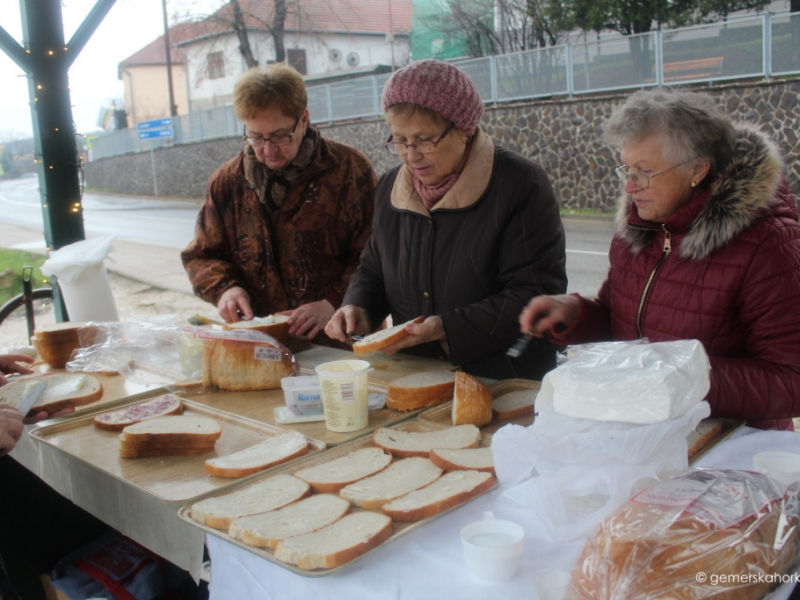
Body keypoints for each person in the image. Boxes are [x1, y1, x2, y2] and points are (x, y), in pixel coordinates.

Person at [520, 89, 800, 430]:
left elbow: (791, 381)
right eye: (626, 169)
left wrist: (677, 377)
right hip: (642, 433)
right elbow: (623, 328)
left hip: (725, 446)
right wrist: (576, 316)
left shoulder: (768, 242)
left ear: (697, 169)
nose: (629, 187)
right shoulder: (640, 229)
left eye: (644, 171)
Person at [326, 59, 567, 380]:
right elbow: (374, 268)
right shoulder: (388, 187)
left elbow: (535, 292)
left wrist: (447, 328)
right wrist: (358, 307)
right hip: (417, 373)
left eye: (425, 139)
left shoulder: (519, 184)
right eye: (399, 139)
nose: (411, 155)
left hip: (505, 377)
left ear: (463, 129)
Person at [182, 64, 376, 342]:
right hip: (262, 345)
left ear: (304, 120)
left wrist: (332, 303)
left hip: (342, 343)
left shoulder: (349, 170)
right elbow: (201, 256)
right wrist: (226, 289)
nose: (269, 150)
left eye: (280, 135)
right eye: (257, 137)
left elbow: (375, 257)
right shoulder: (227, 181)